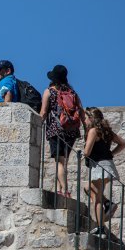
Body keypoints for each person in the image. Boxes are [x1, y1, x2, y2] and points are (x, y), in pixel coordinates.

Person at [39, 64, 84, 197]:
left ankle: (65, 191)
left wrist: (39, 123)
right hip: (71, 130)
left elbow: (43, 112)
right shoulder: (72, 92)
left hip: (56, 130)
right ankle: (59, 190)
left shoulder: (49, 91)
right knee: (64, 162)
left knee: (59, 161)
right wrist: (86, 129)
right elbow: (81, 111)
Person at [83, 107, 125, 234]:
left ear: (91, 118)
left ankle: (100, 228)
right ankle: (108, 203)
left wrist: (83, 154)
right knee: (88, 189)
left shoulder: (93, 131)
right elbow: (123, 143)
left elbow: (87, 152)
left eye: (86, 118)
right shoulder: (106, 131)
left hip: (99, 166)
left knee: (96, 199)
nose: (85, 121)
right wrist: (111, 154)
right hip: (107, 166)